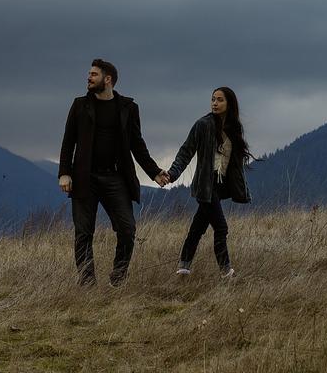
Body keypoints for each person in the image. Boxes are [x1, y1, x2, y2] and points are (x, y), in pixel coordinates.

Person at [58, 59, 166, 286]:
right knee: (84, 233)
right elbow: (68, 142)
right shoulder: (79, 105)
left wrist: (154, 172)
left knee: (127, 229)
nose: (89, 78)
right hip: (84, 177)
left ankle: (118, 277)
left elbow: (137, 144)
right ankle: (87, 283)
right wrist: (64, 173)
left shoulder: (128, 108)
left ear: (108, 80)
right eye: (89, 74)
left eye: (94, 74)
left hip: (115, 177)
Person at [156, 87, 252, 277]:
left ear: (229, 104)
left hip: (221, 186)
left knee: (198, 227)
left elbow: (235, 164)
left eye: (220, 100)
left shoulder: (234, 129)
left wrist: (241, 189)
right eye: (213, 100)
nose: (215, 103)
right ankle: (226, 271)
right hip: (205, 186)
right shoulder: (203, 125)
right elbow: (186, 151)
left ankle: (183, 267)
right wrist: (172, 174)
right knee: (221, 227)